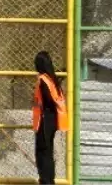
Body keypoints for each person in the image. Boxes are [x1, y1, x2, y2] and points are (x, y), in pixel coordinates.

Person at [32, 51, 68, 185]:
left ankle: (46, 181)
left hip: (45, 120)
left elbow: (48, 99)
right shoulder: (52, 79)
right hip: (51, 120)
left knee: (43, 153)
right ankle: (48, 180)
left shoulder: (43, 80)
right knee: (47, 152)